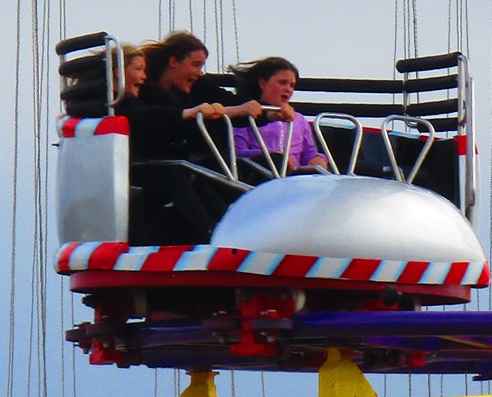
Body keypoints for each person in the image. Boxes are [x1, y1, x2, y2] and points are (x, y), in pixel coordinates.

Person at [112, 32, 262, 241]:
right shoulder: (133, 99)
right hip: (148, 166)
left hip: (182, 163)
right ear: (173, 62)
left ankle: (237, 229)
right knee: (179, 175)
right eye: (195, 65)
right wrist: (190, 113)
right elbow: (150, 117)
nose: (200, 73)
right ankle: (215, 233)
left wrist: (267, 112)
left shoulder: (197, 86)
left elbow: (227, 101)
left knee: (202, 174)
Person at [229, 56, 331, 175]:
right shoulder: (247, 114)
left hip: (295, 178)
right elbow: (238, 153)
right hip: (261, 175)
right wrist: (274, 155)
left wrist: (318, 159)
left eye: (292, 85)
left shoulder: (299, 120)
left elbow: (309, 151)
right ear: (263, 83)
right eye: (282, 83)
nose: (288, 89)